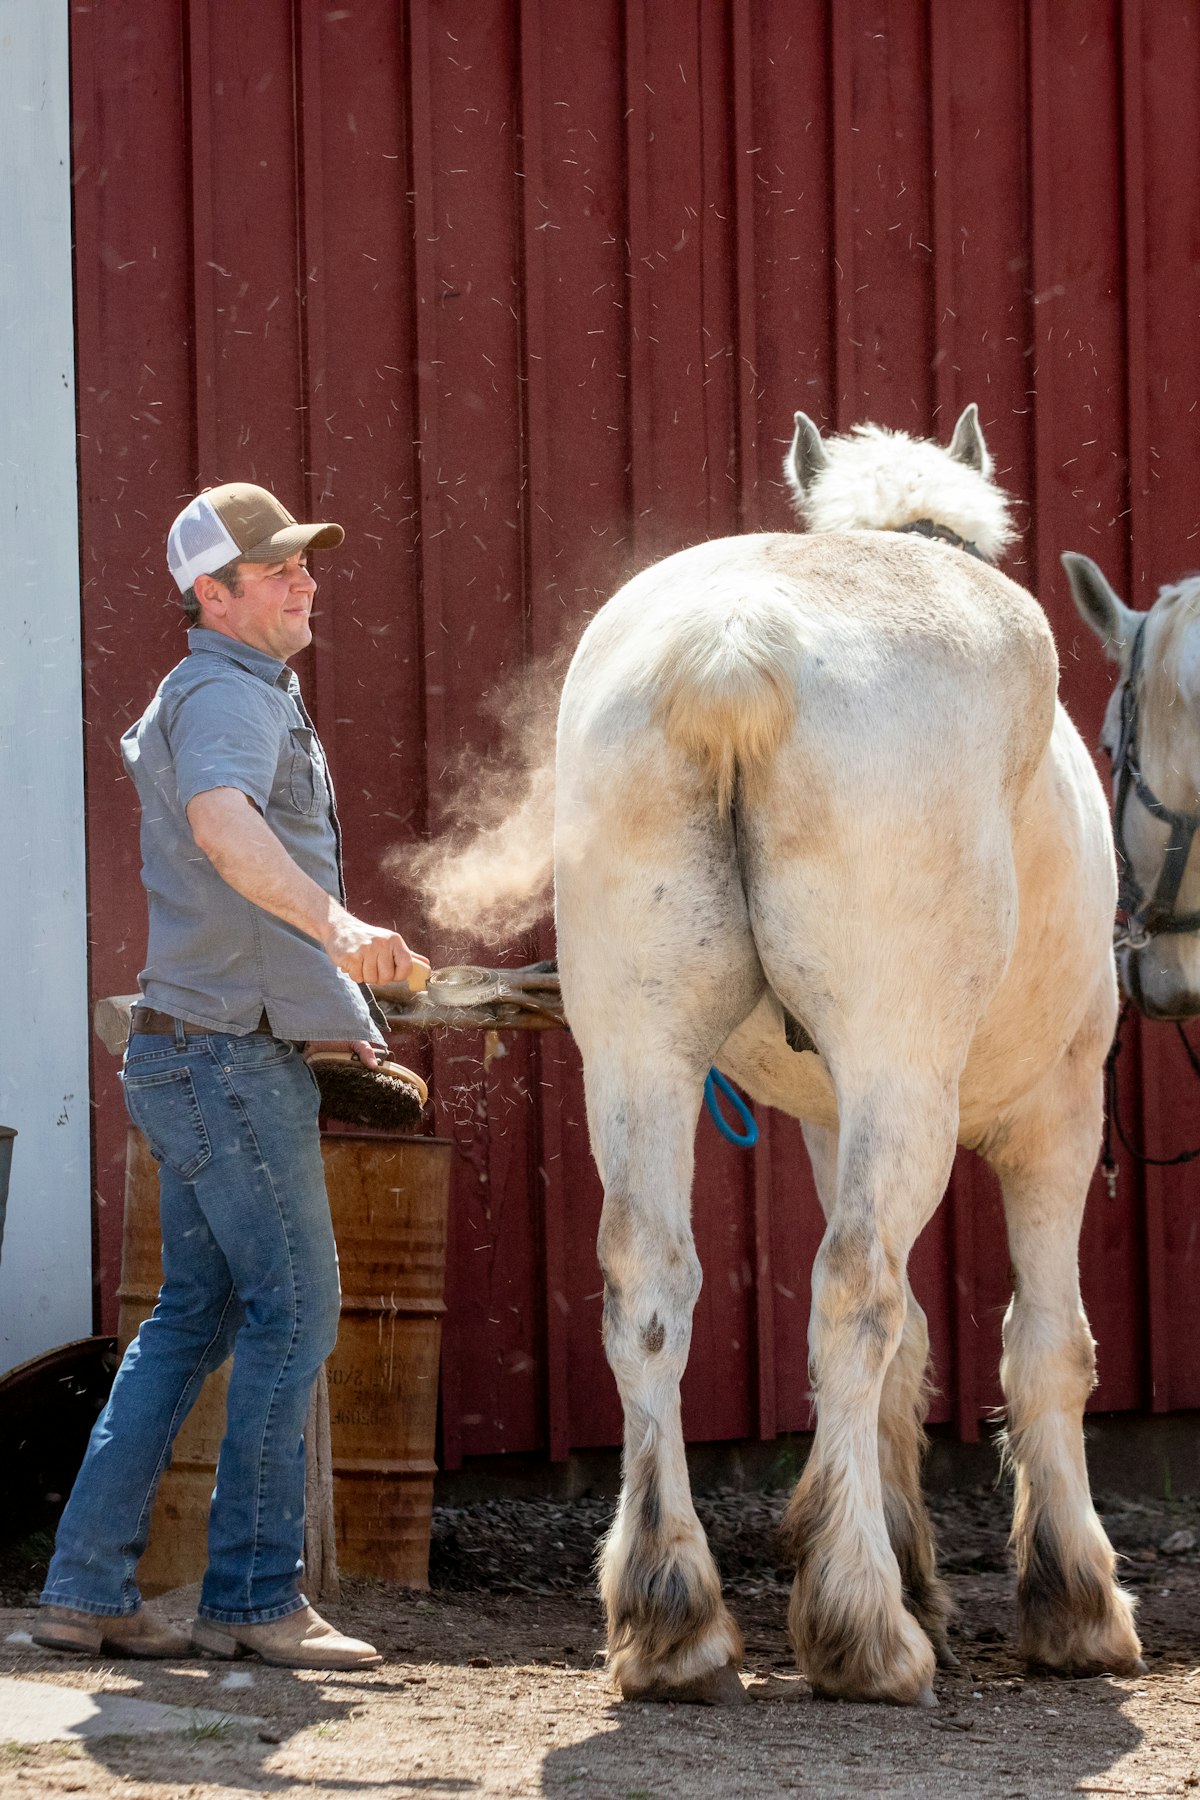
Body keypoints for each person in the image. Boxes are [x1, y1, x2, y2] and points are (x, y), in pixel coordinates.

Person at [36, 482, 425, 1668]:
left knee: (192, 1317)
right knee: (296, 1310)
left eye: (307, 561)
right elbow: (221, 826)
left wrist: (332, 1008)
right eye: (277, 569)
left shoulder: (237, 691)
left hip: (199, 1050)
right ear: (212, 594)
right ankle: (253, 1603)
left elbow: (230, 904)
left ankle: (87, 1590)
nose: (306, 579)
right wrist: (342, 927)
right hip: (225, 1062)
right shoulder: (222, 696)